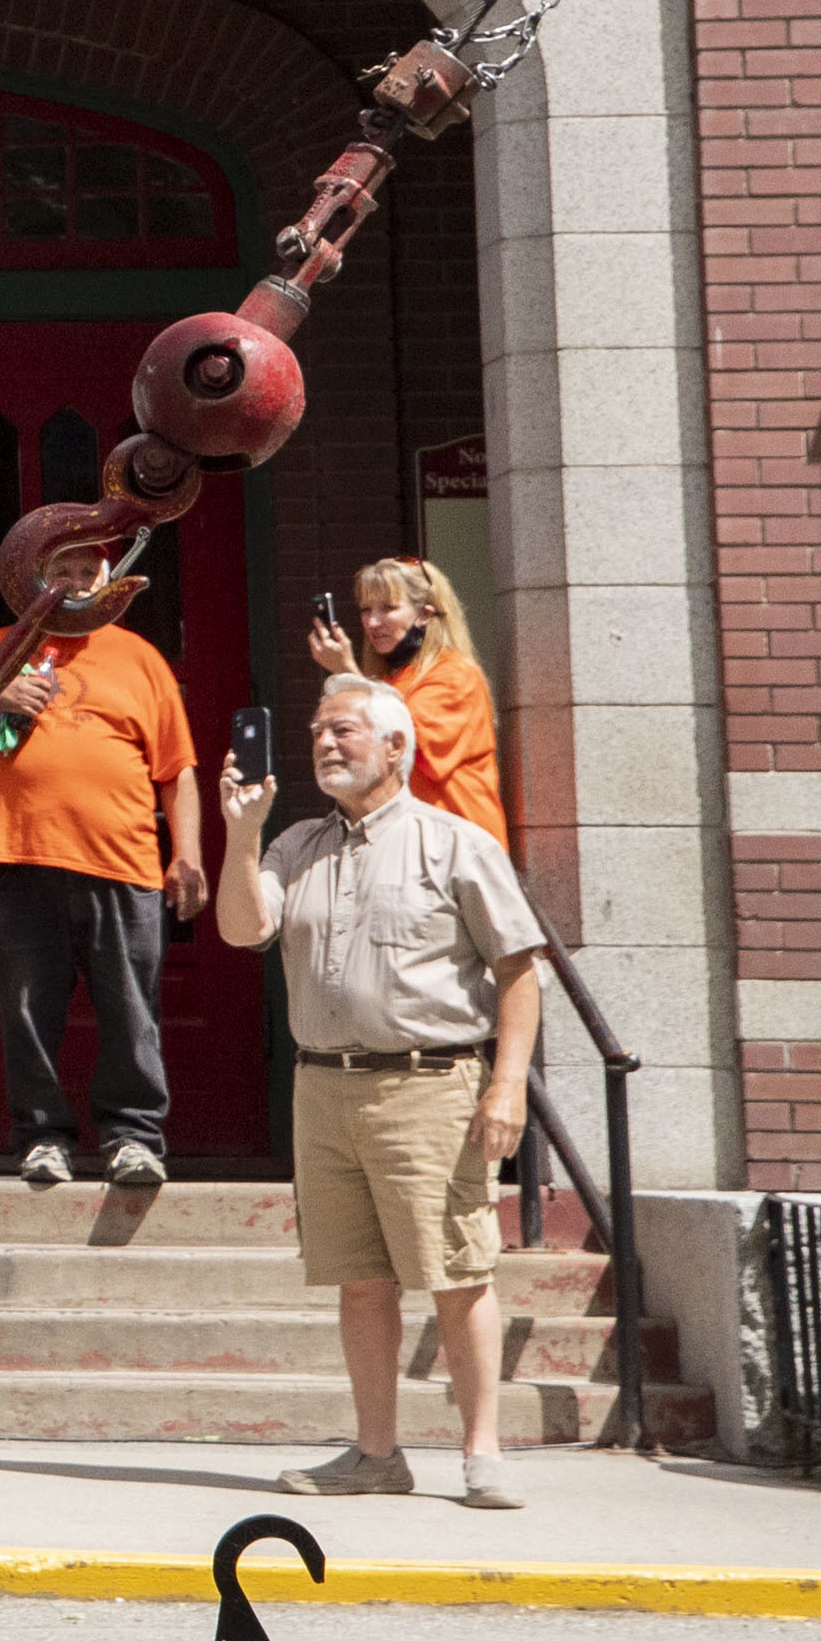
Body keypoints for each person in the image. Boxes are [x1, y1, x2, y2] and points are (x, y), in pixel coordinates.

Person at [219, 670, 550, 1510]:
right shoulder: (294, 844)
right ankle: (376, 1453)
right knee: (360, 1279)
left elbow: (519, 972)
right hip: (324, 1089)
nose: (325, 743)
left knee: (456, 1272)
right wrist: (240, 834)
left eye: (345, 731)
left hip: (429, 1085)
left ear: (397, 746)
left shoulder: (455, 843)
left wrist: (507, 1085)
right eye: (319, 730)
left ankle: (483, 1454)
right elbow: (241, 927)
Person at [0, 553, 203, 1197]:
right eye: (59, 569)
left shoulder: (140, 656)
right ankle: (43, 1138)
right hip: (19, 854)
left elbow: (177, 767)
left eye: (84, 569)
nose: (73, 583)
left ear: (107, 577)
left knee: (130, 1008)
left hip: (122, 859)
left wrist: (188, 854)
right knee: (27, 1011)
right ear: (35, 578)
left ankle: (133, 1139)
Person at [299, 556, 510, 850]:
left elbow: (398, 741)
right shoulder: (387, 681)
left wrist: (346, 672)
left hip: (459, 850)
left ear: (424, 614)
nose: (372, 622)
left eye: (388, 608)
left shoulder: (455, 675)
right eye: (365, 610)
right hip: (410, 847)